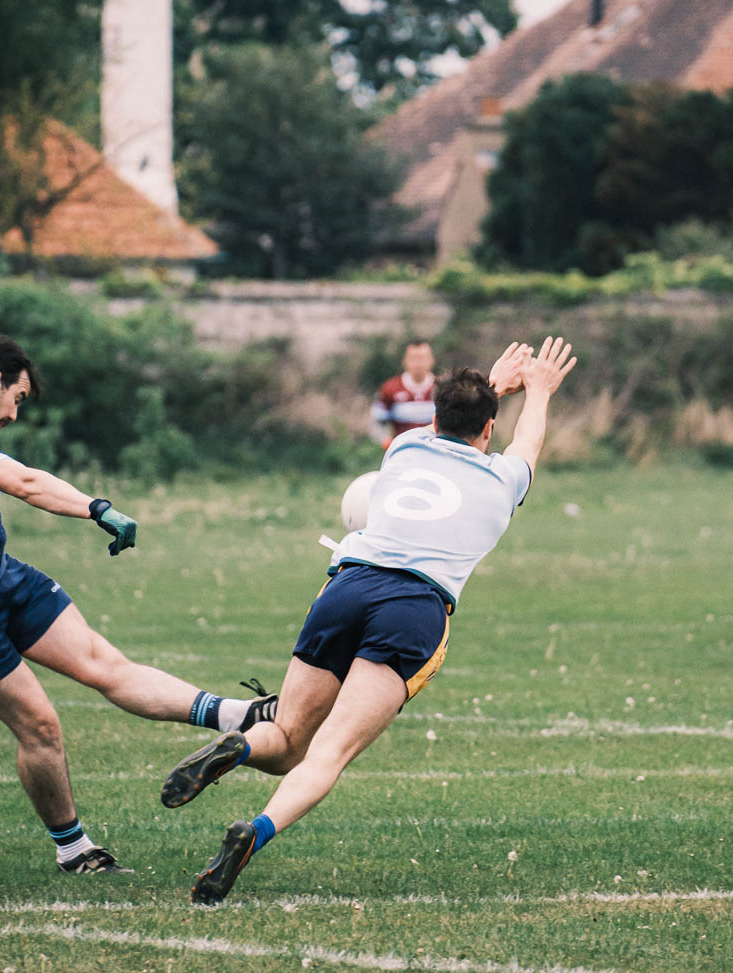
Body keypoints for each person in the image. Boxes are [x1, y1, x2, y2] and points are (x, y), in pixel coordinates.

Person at [161, 335, 576, 905]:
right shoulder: (503, 479)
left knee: (285, 740)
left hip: (347, 585)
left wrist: (492, 387)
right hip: (414, 607)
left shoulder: (404, 449)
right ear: (488, 431)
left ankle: (240, 746)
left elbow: (454, 424)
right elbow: (527, 441)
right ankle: (252, 833)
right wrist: (541, 392)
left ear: (433, 416)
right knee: (328, 751)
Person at [0, 335, 277, 873]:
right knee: (40, 726)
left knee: (104, 663)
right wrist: (97, 507)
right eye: (19, 398)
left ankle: (239, 714)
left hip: (2, 578)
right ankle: (75, 851)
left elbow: (21, 478)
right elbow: (25, 483)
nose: (15, 413)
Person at [370, 340, 436, 448]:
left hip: (436, 455)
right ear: (405, 361)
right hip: (402, 454)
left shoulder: (443, 388)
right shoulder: (390, 388)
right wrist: (386, 442)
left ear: (432, 360)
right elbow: (376, 424)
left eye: (423, 358)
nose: (418, 363)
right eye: (414, 358)